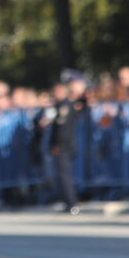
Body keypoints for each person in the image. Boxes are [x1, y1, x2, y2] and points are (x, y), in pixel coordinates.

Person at [49, 77, 87, 214]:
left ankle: (72, 203)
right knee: (61, 176)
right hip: (63, 146)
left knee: (65, 177)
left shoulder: (65, 105)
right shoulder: (60, 105)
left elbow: (62, 129)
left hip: (64, 147)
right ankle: (67, 203)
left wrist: (57, 144)